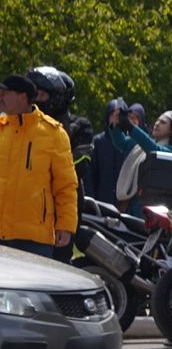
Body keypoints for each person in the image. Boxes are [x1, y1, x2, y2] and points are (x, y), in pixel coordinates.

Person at [0, 73, 78, 257]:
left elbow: (66, 186)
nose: (0, 97)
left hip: (33, 240)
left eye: (5, 93)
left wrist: (65, 226)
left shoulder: (54, 134)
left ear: (23, 96)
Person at [86, 99, 134, 205]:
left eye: (118, 115)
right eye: (112, 114)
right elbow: (89, 174)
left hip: (122, 202)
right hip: (100, 200)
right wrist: (91, 200)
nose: (115, 117)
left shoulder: (128, 142)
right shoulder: (98, 141)